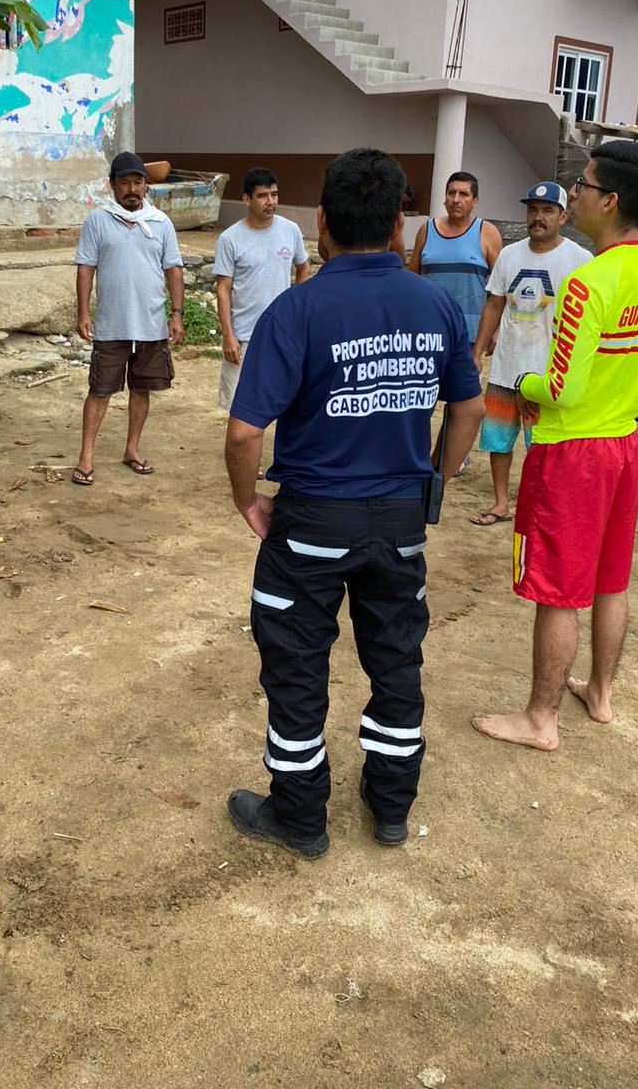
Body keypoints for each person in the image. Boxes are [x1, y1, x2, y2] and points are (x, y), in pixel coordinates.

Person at [224, 148, 485, 859]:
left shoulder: (296, 309)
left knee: (297, 669)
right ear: (401, 223)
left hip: (310, 521)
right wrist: (437, 478)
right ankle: (391, 805)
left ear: (320, 224)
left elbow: (246, 431)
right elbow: (467, 409)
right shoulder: (432, 303)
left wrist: (249, 500)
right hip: (399, 521)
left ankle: (301, 818)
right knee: (396, 662)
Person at [472, 141, 638, 751]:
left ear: (609, 200)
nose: (576, 193)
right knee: (611, 579)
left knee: (558, 587)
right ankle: (602, 693)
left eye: (584, 185)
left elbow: (560, 385)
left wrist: (524, 386)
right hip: (621, 444)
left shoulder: (589, 281)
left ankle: (541, 717)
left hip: (571, 452)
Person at [469, 182, 591, 526]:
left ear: (563, 216)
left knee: (544, 448)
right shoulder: (510, 254)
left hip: (547, 374)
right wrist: (478, 351)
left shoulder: (581, 260)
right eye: (533, 210)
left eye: (548, 210)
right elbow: (494, 304)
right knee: (498, 439)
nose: (538, 217)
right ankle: (499, 503)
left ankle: (540, 509)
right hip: (507, 366)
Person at [72, 152, 184, 485]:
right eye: (125, 182)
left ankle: (131, 449)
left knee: (142, 389)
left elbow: (173, 269)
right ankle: (86, 457)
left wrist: (176, 314)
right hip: (110, 324)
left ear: (146, 185)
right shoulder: (98, 220)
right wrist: (83, 312)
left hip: (150, 325)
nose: (132, 189)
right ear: (113, 185)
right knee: (100, 391)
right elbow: (86, 267)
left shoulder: (161, 222)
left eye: (138, 182)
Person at [214, 167, 309, 419]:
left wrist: (296, 310)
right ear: (246, 199)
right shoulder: (230, 238)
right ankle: (243, 458)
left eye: (274, 194)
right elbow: (223, 288)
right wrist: (228, 336)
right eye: (263, 195)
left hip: (281, 334)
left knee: (283, 402)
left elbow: (303, 268)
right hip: (243, 336)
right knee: (239, 408)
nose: (271, 202)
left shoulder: (290, 230)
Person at [408, 171, 503, 342]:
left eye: (464, 194)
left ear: (475, 201)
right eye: (451, 193)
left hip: (469, 334)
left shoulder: (487, 232)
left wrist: (496, 330)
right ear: (445, 198)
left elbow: (501, 289)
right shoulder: (426, 230)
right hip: (428, 331)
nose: (456, 199)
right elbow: (412, 280)